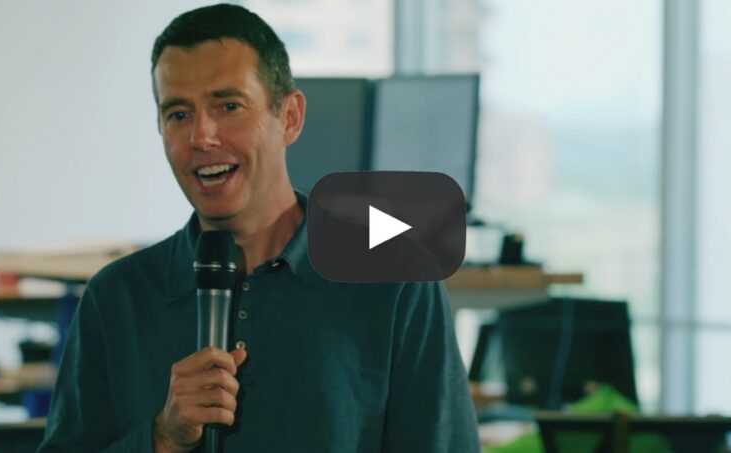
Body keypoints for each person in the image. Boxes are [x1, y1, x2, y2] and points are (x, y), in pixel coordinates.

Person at [38, 4, 479, 452]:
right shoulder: (115, 298)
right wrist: (161, 437)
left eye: (229, 106)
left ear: (289, 117)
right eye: (179, 114)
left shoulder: (396, 278)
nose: (202, 137)